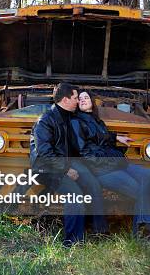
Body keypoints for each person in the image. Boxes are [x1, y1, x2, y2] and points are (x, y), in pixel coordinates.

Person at [71, 90, 150, 238]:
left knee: (147, 175)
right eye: (80, 98)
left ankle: (146, 225)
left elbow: (103, 136)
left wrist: (117, 137)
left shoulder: (97, 121)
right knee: (139, 190)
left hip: (115, 163)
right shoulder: (75, 122)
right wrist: (105, 162)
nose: (83, 100)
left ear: (92, 101)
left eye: (86, 97)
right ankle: (142, 230)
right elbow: (84, 152)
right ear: (76, 103)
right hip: (102, 170)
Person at [30, 83, 107, 246]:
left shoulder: (70, 116)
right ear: (65, 100)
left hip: (65, 162)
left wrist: (114, 138)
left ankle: (99, 231)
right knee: (75, 196)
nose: (77, 101)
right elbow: (45, 154)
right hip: (48, 168)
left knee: (92, 183)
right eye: (75, 98)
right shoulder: (45, 121)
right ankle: (72, 242)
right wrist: (67, 170)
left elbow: (93, 130)